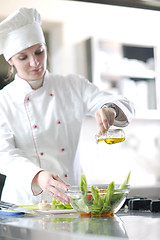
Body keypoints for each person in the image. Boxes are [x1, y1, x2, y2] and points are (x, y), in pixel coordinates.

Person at [0, 8, 135, 205]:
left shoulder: (72, 85)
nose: (35, 62)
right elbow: (4, 154)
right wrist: (38, 176)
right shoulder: (3, 100)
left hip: (72, 200)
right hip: (24, 203)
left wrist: (109, 108)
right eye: (23, 57)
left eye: (39, 51)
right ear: (10, 60)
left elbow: (125, 102)